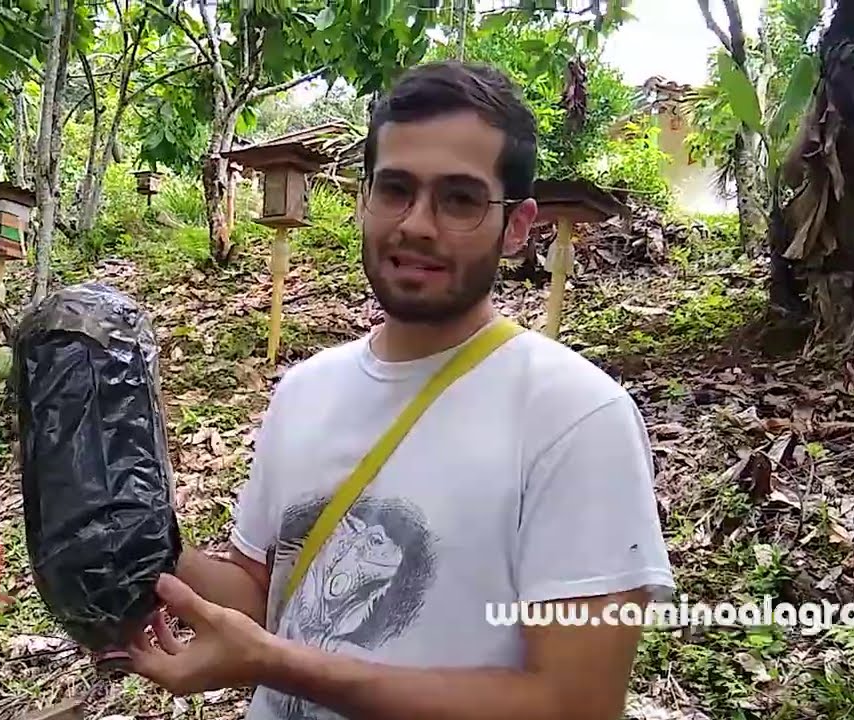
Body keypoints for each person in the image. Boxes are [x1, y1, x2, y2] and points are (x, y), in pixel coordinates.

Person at [124, 60, 675, 720]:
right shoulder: (303, 391)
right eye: (396, 189)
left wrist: (276, 664)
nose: (417, 223)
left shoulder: (577, 418)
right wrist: (146, 543)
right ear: (364, 199)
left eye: (460, 199)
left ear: (518, 226)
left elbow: (574, 703)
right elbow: (262, 597)